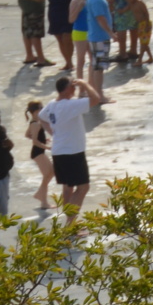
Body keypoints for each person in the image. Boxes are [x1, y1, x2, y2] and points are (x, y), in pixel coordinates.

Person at [42, 75, 96, 216]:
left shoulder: (52, 104)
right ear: (66, 90)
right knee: (83, 187)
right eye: (73, 87)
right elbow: (95, 98)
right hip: (73, 152)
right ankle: (70, 224)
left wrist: (52, 132)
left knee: (67, 187)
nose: (75, 89)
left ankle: (69, 223)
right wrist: (84, 84)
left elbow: (41, 117)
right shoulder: (69, 105)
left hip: (58, 151)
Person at [74, 0, 113, 105]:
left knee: (97, 66)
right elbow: (100, 18)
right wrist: (111, 32)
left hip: (96, 36)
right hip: (99, 36)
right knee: (99, 67)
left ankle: (97, 94)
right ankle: (99, 96)